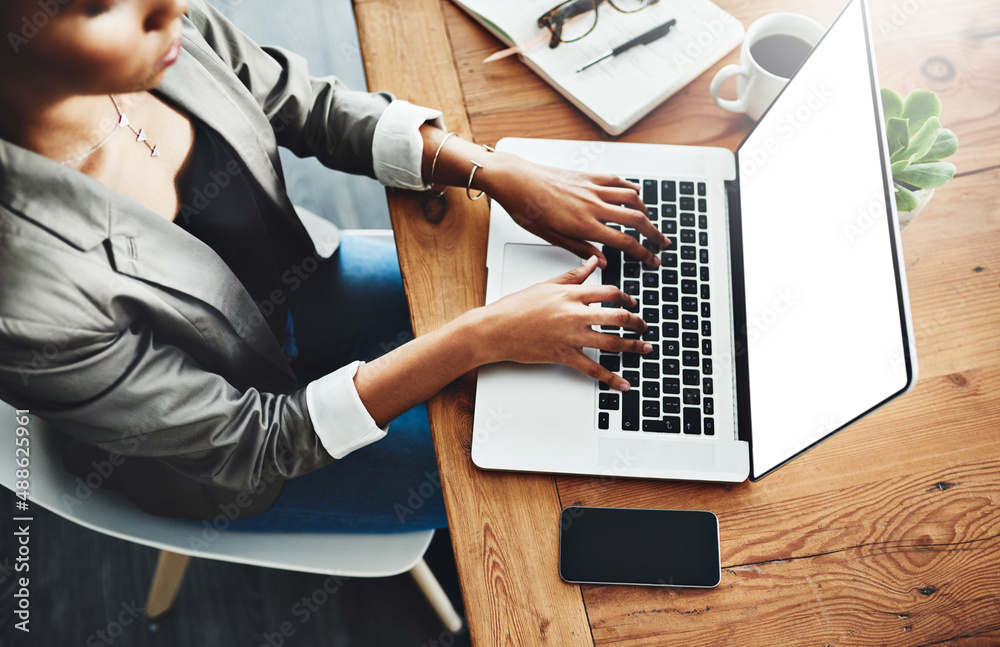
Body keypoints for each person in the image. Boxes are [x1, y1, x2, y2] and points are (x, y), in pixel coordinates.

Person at [0, 0, 666, 531]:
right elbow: (251, 440)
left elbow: (305, 105)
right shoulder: (23, 298)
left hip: (306, 288)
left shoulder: (164, 36)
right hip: (238, 461)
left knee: (588, 344)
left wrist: (490, 166)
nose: (168, 6)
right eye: (95, 6)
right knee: (543, 482)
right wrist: (478, 336)